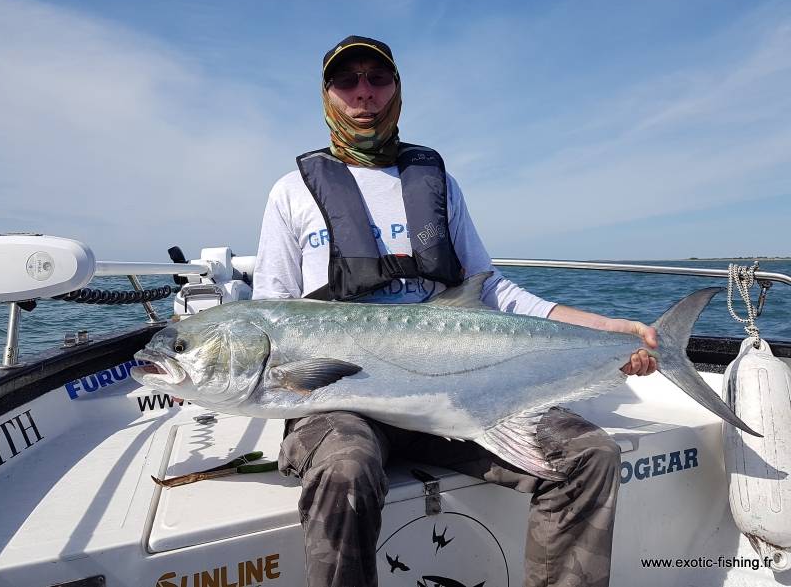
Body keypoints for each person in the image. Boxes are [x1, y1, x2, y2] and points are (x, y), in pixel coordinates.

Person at [252, 35, 658, 587]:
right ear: (327, 94)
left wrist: (607, 328)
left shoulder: (437, 182)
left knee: (590, 454)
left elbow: (491, 293)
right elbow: (272, 312)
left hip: (454, 395)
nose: (363, 94)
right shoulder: (292, 191)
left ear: (396, 89)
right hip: (339, 397)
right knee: (345, 466)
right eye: (347, 81)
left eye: (378, 78)